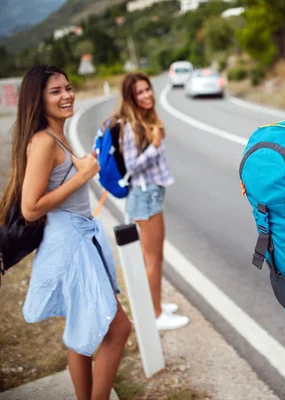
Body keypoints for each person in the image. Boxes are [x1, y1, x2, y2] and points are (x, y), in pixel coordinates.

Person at [0, 65, 131, 399]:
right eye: (55, 91)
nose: (67, 95)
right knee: (117, 330)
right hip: (70, 245)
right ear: (38, 100)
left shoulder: (56, 136)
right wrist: (83, 175)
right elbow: (31, 207)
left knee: (83, 333)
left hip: (79, 239)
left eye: (68, 88)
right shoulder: (43, 142)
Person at [109, 72, 189, 331]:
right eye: (139, 93)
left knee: (153, 257)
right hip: (144, 196)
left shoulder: (145, 121)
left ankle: (154, 306)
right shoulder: (130, 126)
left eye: (147, 90)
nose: (146, 95)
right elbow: (132, 165)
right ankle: (154, 315)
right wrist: (154, 145)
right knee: (153, 258)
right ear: (130, 98)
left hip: (149, 194)